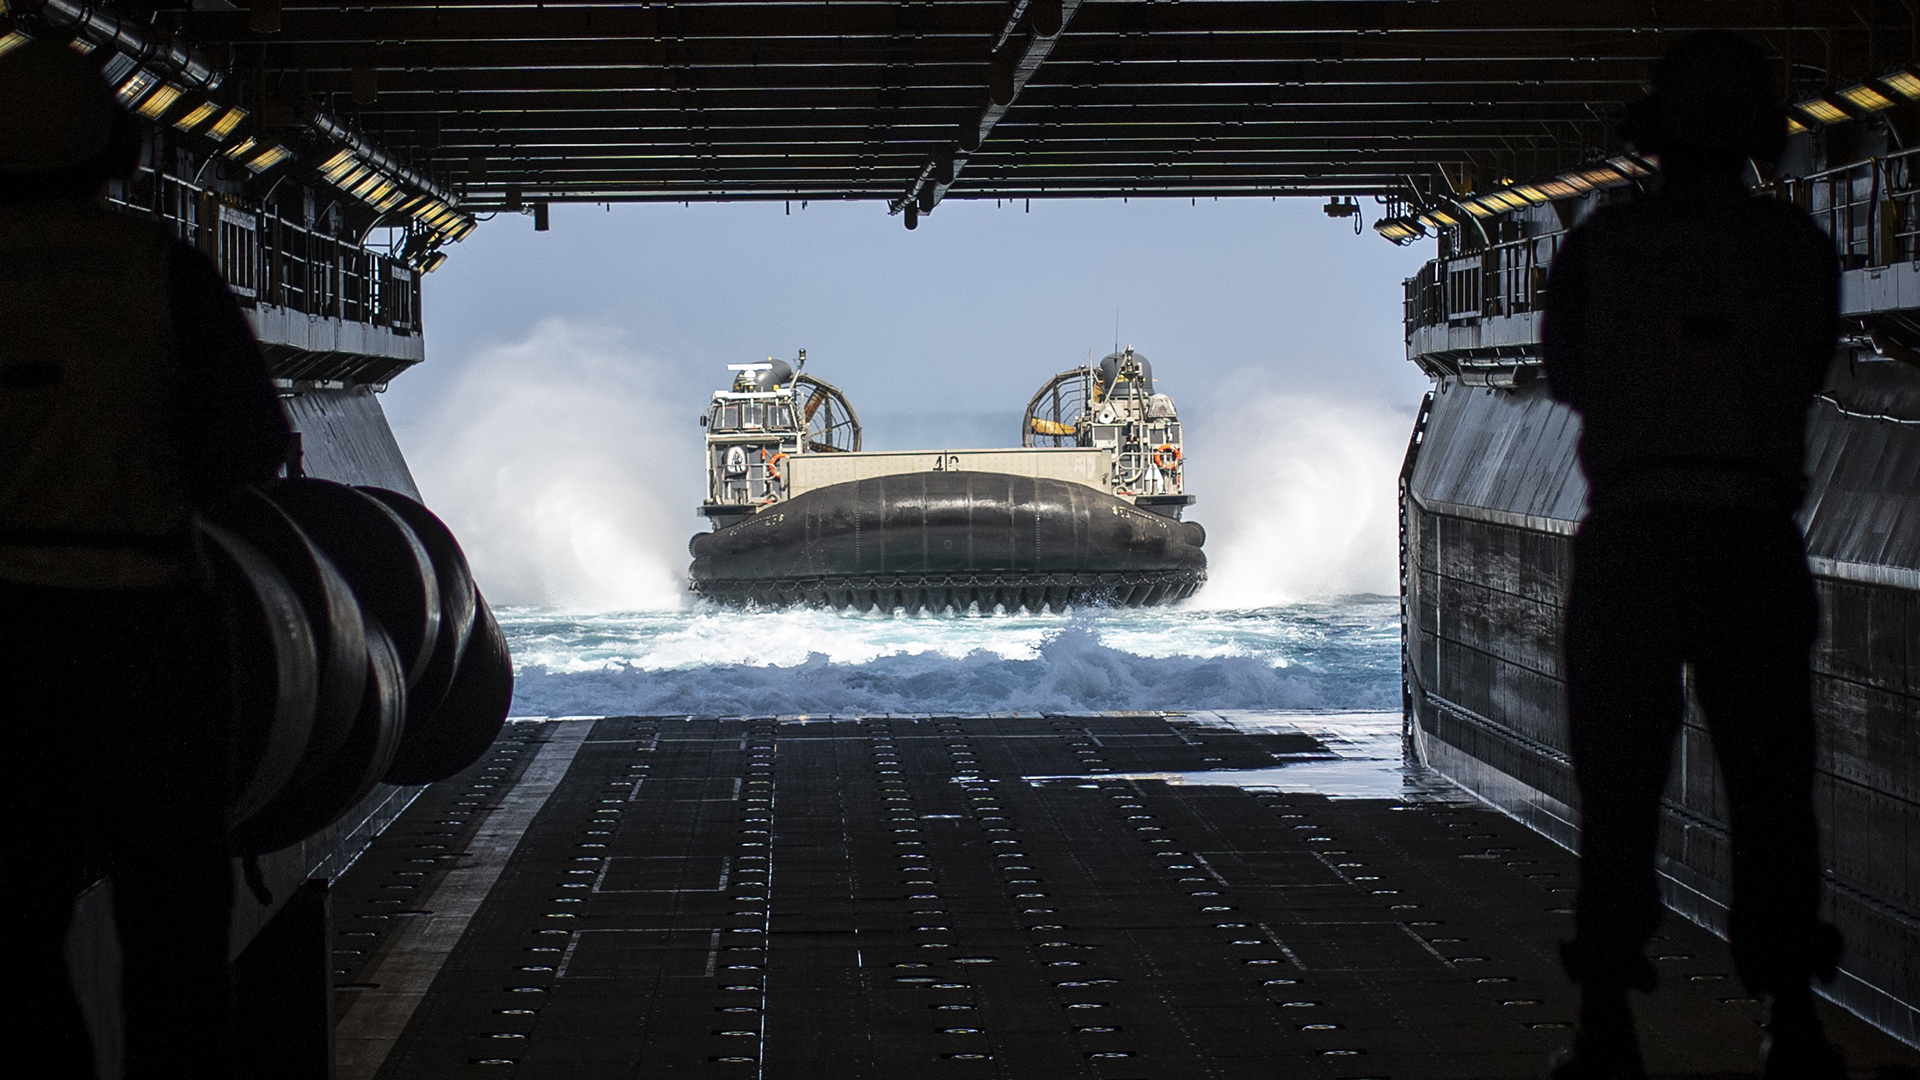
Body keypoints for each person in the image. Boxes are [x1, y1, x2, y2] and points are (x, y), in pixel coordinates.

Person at [1540, 31, 1845, 1080]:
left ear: (1653, 140)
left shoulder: (1601, 249)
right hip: (1753, 536)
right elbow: (1808, 365)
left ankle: (1607, 1028)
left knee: (1618, 787)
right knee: (1770, 786)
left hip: (1634, 532)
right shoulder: (1796, 250)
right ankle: (1792, 1019)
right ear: (1762, 140)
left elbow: (1568, 374)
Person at [0, 39, 291, 1077]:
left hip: (8, 647)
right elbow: (248, 447)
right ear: (119, 149)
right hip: (146, 636)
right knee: (173, 930)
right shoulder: (157, 271)